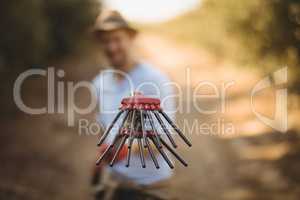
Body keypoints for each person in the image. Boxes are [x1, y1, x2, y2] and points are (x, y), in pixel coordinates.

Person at [91, 10, 176, 200]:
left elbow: (167, 139)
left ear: (130, 38)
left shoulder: (155, 80)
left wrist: (127, 149)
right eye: (105, 41)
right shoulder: (99, 83)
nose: (111, 47)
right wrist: (101, 159)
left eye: (116, 39)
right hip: (114, 184)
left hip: (150, 188)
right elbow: (103, 130)